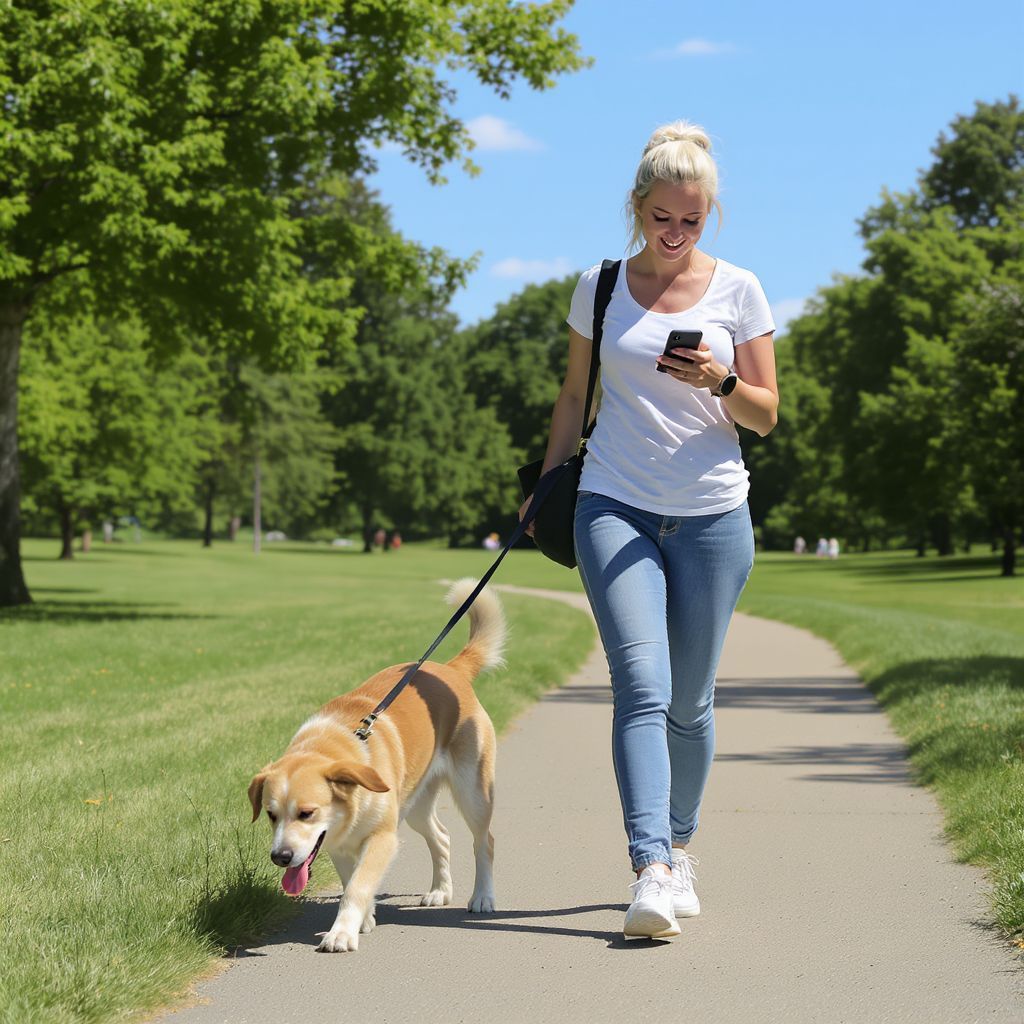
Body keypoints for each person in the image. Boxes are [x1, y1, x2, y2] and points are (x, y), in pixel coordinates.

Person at [519, 121, 779, 940]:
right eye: (662, 218)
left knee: (690, 703)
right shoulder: (597, 287)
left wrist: (721, 378)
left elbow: (767, 416)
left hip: (711, 515)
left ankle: (682, 842)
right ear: (637, 208)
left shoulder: (740, 290)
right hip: (614, 502)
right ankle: (651, 865)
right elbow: (572, 398)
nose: (675, 235)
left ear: (711, 217)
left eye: (691, 222)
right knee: (639, 685)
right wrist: (547, 482)